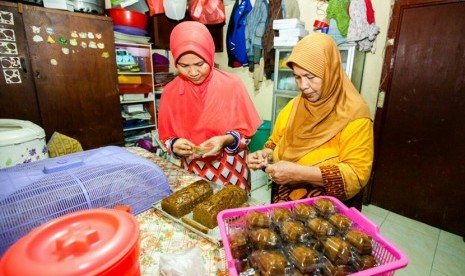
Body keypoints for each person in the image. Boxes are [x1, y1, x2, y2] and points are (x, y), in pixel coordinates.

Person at [247, 33, 374, 209]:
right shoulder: (295, 106)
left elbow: (357, 174)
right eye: (297, 77)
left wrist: (300, 173)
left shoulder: (355, 116)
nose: (303, 86)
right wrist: (265, 155)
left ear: (330, 72)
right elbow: (275, 141)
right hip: (284, 206)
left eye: (310, 76)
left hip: (326, 217)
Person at [158, 21, 262, 195]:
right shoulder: (170, 92)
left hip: (231, 167)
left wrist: (224, 140)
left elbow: (246, 135)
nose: (193, 72)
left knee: (234, 215)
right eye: (184, 66)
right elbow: (166, 138)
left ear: (210, 56)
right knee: (198, 215)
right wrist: (174, 144)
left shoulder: (232, 85)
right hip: (193, 168)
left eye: (200, 64)